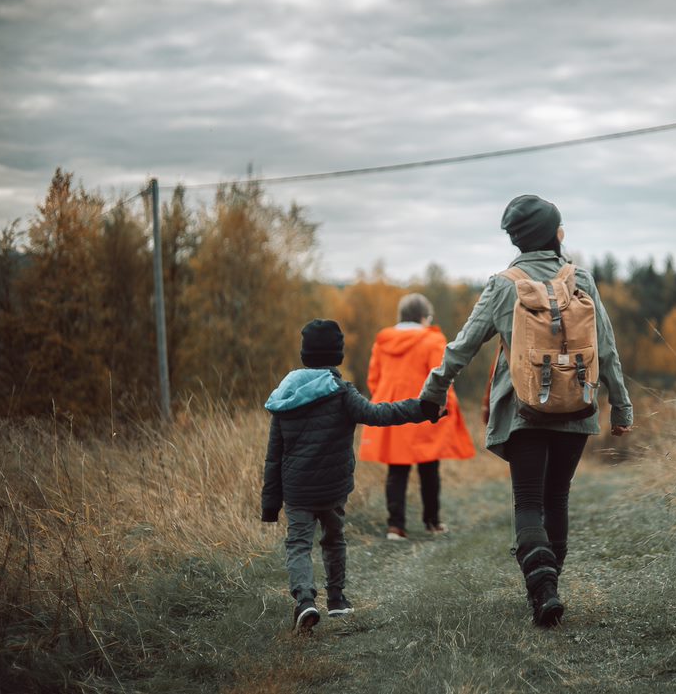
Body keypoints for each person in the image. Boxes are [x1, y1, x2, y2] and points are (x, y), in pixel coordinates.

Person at [420, 195, 633, 627]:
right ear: (554, 234)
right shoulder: (583, 281)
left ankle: (544, 590)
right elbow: (606, 350)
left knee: (529, 501)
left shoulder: (504, 284)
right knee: (557, 497)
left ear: (517, 240)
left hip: (524, 411)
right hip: (577, 408)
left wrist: (435, 389)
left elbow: (462, 346)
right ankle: (548, 585)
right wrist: (621, 406)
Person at [261, 319, 443, 634]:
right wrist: (422, 409)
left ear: (304, 355)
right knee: (334, 540)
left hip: (297, 489)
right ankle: (336, 599)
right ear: (338, 356)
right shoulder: (341, 391)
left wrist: (270, 503)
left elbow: (273, 455)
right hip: (332, 488)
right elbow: (379, 414)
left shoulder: (283, 395)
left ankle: (305, 601)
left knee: (299, 544)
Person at [359, 294, 476, 540]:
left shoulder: (383, 341)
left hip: (392, 410)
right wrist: (448, 406)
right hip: (423, 410)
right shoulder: (432, 340)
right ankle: (432, 523)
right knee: (429, 468)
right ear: (423, 317)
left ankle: (395, 527)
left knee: (397, 469)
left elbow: (373, 378)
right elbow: (441, 378)